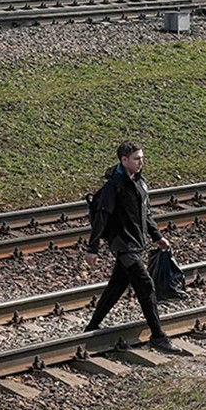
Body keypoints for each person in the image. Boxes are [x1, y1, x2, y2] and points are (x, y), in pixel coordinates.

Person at [83, 141, 177, 352]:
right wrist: (92, 248)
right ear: (123, 160)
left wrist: (157, 237)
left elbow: (146, 214)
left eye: (142, 158)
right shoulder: (114, 186)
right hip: (123, 244)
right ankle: (158, 336)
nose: (141, 162)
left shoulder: (140, 182)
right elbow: (101, 217)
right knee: (146, 285)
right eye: (136, 159)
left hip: (136, 243)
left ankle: (91, 326)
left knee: (116, 286)